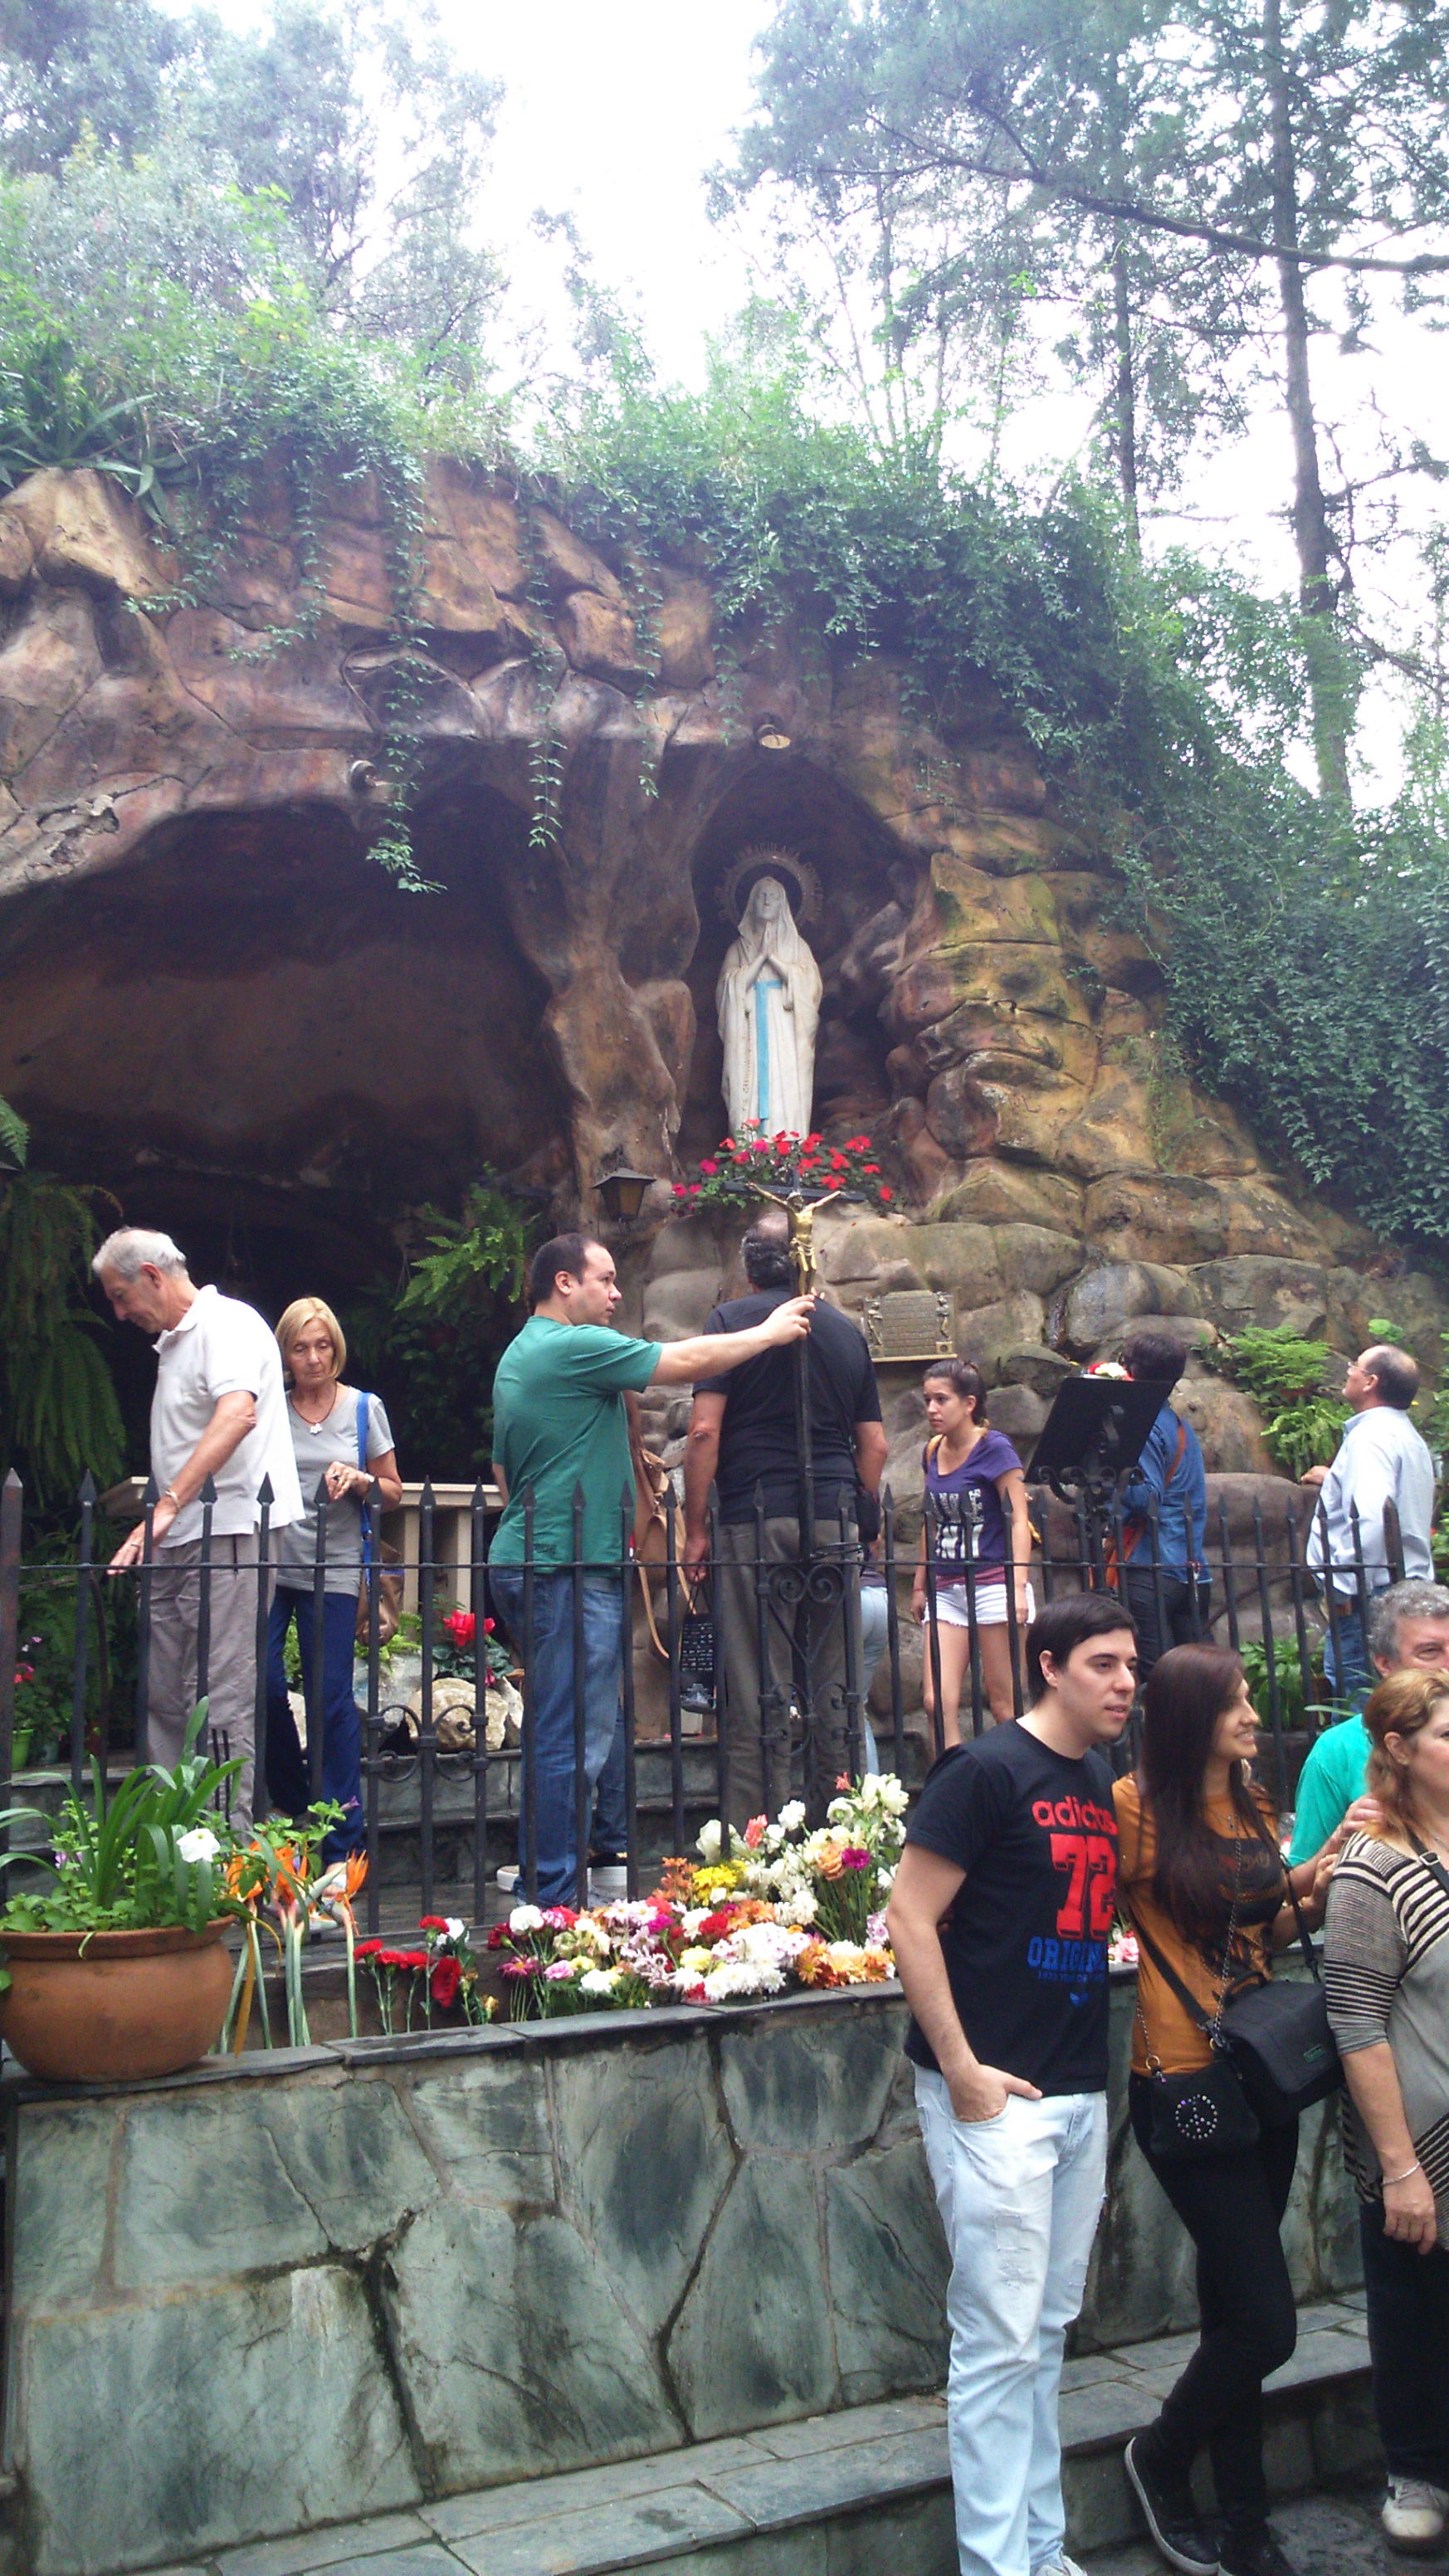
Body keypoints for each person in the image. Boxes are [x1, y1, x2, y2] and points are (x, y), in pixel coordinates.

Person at [886, 1592, 1139, 2576]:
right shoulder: (983, 1770)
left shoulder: (1096, 1775)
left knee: (1044, 2332)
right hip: (995, 2090)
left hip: (1076, 2086)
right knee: (997, 2340)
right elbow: (910, 1917)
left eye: (1130, 1664)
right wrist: (962, 2071)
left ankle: (1042, 2551)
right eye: (1103, 1664)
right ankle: (998, 2565)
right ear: (1046, 1665)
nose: (1125, 1681)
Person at [490, 1232, 814, 1904]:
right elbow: (687, 1358)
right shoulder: (570, 1346)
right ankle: (552, 1901)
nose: (615, 1294)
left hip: (543, 1555)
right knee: (573, 1737)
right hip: (566, 1567)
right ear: (563, 1285)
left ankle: (544, 1874)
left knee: (563, 1727)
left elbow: (501, 1469)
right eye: (604, 1280)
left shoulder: (522, 1355)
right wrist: (769, 1331)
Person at [1114, 1643, 1340, 2576]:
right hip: (1183, 2078)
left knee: (1230, 2302)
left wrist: (1317, 1884)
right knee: (1266, 2319)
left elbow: (1263, 1923)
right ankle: (1160, 2454)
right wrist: (1303, 1870)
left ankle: (1245, 2516)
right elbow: (1188, 1902)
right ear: (1191, 1717)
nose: (1254, 1712)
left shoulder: (1247, 1797)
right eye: (1238, 1700)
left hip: (1255, 2071)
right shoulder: (1136, 1806)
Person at [682, 1211, 886, 1824]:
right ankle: (842, 1843)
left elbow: (703, 1430)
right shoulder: (846, 1332)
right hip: (833, 1517)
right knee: (837, 1686)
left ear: (747, 1269)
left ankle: (758, 1842)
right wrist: (861, 1516)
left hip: (754, 1515)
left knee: (755, 1685)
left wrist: (695, 1528)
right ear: (806, 1262)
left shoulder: (731, 1323)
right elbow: (872, 1445)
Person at [95, 1228, 302, 1831]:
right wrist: (166, 1517)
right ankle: (169, 1843)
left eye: (119, 1295)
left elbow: (238, 1412)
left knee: (217, 1695)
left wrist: (166, 1504)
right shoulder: (175, 1343)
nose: (119, 1311)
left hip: (230, 1530)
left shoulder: (228, 1325)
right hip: (180, 1535)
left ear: (153, 1277)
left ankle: (218, 1853)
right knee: (165, 1694)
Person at [1324, 1669, 1449, 2558]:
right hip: (1419, 2134)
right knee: (1416, 2308)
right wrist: (1401, 2163)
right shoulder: (1376, 1866)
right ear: (1400, 1750)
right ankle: (1417, 2469)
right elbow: (1356, 2018)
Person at [266, 1298, 402, 1863]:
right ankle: (296, 1797)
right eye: (301, 1347)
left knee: (330, 1698)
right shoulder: (271, 1407)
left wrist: (363, 1480)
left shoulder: (365, 1409)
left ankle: (342, 1838)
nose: (314, 1358)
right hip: (272, 1564)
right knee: (264, 1686)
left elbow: (396, 1490)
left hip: (337, 1567)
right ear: (287, 1353)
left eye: (323, 1345)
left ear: (336, 1348)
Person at [1302, 1344, 1434, 1709]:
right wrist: (1335, 1480)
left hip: (1368, 1597)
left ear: (1370, 1382)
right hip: (1404, 1587)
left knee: (1358, 1705)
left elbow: (1372, 1519)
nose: (1348, 1372)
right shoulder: (1405, 1436)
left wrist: (1344, 1589)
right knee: (1403, 1704)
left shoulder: (1369, 1439)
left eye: (1354, 1367)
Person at [1287, 1578, 1449, 1866]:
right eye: (1429, 1652)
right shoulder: (1338, 1750)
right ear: (1385, 1664)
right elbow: (1293, 1890)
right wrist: (1339, 1840)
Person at [912, 1358, 1032, 1734]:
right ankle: (959, 1785)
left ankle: (1018, 1786)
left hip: (994, 1580)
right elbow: (930, 1521)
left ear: (969, 1404)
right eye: (928, 1399)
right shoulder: (932, 1450)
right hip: (946, 1585)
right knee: (936, 1702)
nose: (932, 1409)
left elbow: (1018, 1519)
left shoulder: (994, 1449)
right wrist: (919, 1584)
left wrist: (1017, 1588)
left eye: (941, 1400)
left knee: (1003, 1702)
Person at [1115, 1329, 1209, 1678]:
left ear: (1132, 1371)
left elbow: (1145, 1497)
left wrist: (1113, 1485)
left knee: (1159, 1678)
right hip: (1192, 1568)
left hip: (1150, 1567)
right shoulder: (1180, 1426)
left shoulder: (1144, 1426)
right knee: (1200, 1679)